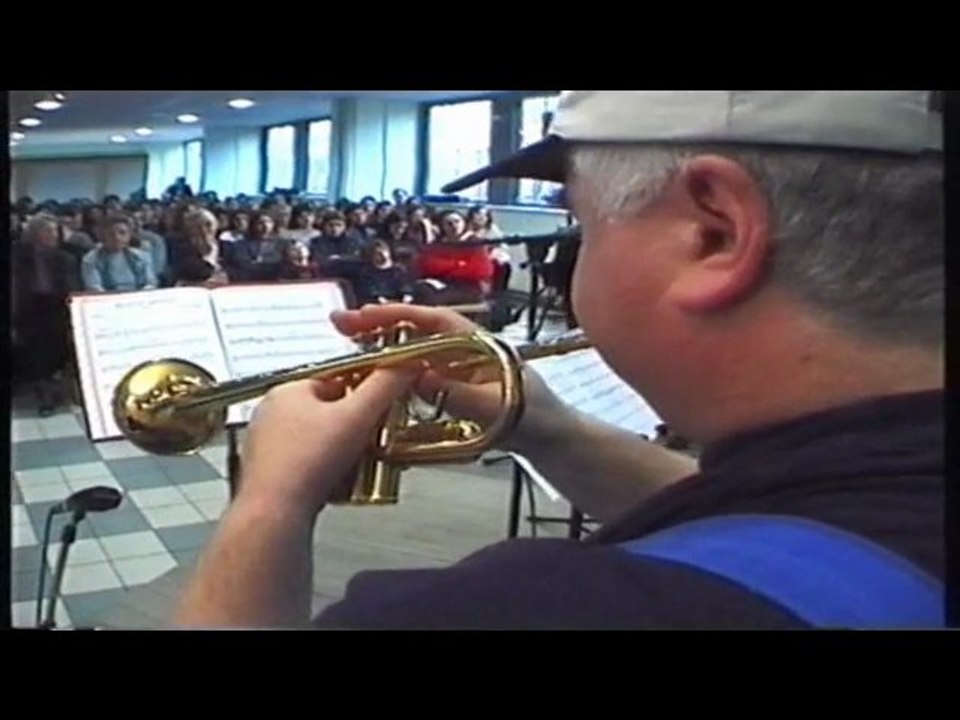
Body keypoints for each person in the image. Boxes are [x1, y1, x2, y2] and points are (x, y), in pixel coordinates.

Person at [174, 91, 944, 630]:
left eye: (580, 223)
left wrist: (268, 505)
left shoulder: (542, 609)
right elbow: (790, 535)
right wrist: (546, 428)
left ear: (713, 233)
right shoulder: (887, 491)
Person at [12, 215, 81, 416]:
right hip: (28, 308)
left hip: (57, 308)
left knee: (55, 343)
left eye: (54, 231)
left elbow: (72, 288)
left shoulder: (65, 258)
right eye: (47, 231)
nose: (52, 235)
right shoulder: (19, 256)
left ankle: (52, 388)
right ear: (33, 234)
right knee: (36, 347)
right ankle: (45, 393)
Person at [80, 216, 157, 292]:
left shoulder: (142, 256)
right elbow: (94, 287)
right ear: (103, 236)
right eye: (111, 234)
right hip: (107, 300)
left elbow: (150, 283)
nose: (117, 237)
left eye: (122, 233)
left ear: (129, 235)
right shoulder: (91, 259)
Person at [169, 209, 230, 287]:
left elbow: (241, 269)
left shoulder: (225, 246)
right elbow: (193, 272)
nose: (205, 229)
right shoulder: (180, 247)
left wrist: (226, 275)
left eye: (209, 224)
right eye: (199, 225)